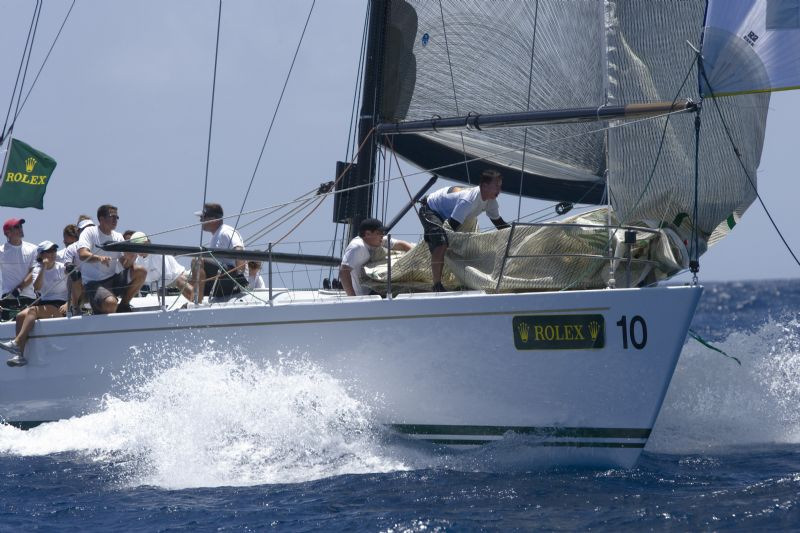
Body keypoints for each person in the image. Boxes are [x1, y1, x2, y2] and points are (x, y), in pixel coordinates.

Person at [418, 169, 509, 292]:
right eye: (496, 186)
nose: (499, 190)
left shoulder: (491, 201)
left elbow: (499, 224)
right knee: (441, 243)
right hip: (430, 209)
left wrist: (517, 233)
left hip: (448, 214)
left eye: (500, 186)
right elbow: (451, 228)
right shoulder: (468, 201)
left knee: (463, 244)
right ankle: (437, 285)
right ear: (485, 186)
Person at [1, 241, 69, 367]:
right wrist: (43, 268)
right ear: (41, 255)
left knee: (32, 311)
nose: (53, 253)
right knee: (21, 315)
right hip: (45, 304)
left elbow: (77, 287)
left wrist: (69, 303)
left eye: (54, 250)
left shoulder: (63, 268)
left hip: (60, 305)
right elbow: (37, 287)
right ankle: (19, 355)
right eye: (49, 251)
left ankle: (16, 342)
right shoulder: (38, 270)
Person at [77, 204, 146, 314]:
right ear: (101, 219)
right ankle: (103, 307)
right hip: (93, 283)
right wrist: (99, 258)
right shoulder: (89, 232)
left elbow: (124, 264)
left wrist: (131, 256)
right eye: (112, 216)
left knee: (141, 271)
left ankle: (123, 305)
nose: (115, 220)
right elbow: (82, 254)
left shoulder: (118, 236)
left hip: (113, 279)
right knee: (111, 303)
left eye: (117, 217)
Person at [339, 218, 413, 296]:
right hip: (364, 295)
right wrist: (352, 298)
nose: (382, 235)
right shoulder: (357, 247)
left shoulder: (378, 240)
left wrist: (418, 254)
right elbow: (343, 271)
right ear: (367, 234)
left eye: (382, 233)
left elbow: (401, 245)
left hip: (377, 289)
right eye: (379, 233)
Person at [191, 203, 248, 298]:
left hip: (232, 278)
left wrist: (240, 277)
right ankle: (197, 298)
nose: (200, 220)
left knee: (197, 261)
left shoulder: (225, 232)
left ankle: (197, 300)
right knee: (186, 277)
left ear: (213, 219)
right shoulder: (217, 235)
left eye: (203, 217)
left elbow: (238, 249)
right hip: (222, 277)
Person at [129, 231, 194, 301]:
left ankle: (197, 301)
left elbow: (168, 275)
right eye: (135, 246)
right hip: (159, 287)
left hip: (178, 278)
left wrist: (154, 291)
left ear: (147, 243)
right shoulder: (137, 261)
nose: (137, 248)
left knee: (180, 282)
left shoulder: (157, 253)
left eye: (139, 245)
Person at [0, 218, 38, 320]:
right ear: (7, 233)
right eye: (16, 227)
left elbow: (34, 272)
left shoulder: (33, 249)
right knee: (8, 331)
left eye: (21, 226)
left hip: (29, 298)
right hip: (8, 299)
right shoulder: (1, 251)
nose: (20, 229)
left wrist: (19, 289)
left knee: (31, 332)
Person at [61, 218, 95, 314]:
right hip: (80, 285)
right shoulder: (72, 248)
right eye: (85, 229)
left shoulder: (101, 245)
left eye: (91, 228)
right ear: (79, 232)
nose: (89, 231)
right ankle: (75, 307)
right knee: (75, 274)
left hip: (97, 283)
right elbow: (67, 267)